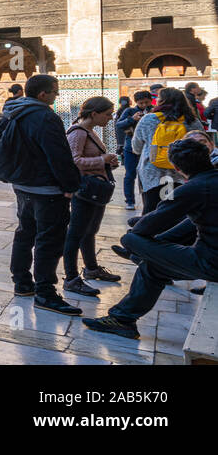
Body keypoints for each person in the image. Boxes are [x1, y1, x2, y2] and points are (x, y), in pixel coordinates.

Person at [82, 137, 218, 340]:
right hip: (209, 255)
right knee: (153, 267)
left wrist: (140, 224)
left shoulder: (191, 189)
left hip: (210, 263)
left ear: (177, 168)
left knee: (131, 239)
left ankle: (134, 256)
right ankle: (122, 319)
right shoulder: (211, 181)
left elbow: (148, 226)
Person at [0, 74, 84, 316]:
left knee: (25, 233)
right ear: (43, 94)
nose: (57, 95)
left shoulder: (13, 111)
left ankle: (22, 283)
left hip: (23, 186)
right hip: (46, 190)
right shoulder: (45, 116)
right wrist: (70, 184)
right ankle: (45, 293)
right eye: (55, 91)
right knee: (49, 240)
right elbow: (58, 155)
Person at [61, 97, 121, 300]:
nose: (110, 118)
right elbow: (73, 161)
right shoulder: (78, 132)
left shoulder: (90, 131)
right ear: (94, 113)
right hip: (84, 190)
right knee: (76, 233)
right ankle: (71, 278)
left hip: (95, 189)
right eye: (107, 114)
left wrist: (107, 163)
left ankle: (92, 268)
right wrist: (101, 160)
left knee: (90, 231)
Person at [131, 86, 202, 218]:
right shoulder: (192, 121)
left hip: (152, 173)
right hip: (182, 173)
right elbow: (201, 145)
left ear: (161, 101)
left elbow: (136, 148)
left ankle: (147, 235)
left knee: (151, 211)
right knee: (178, 213)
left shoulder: (148, 119)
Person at [115, 91, 152, 210]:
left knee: (148, 174)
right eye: (141, 103)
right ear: (136, 102)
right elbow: (119, 124)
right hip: (131, 148)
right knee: (130, 174)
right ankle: (130, 201)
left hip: (148, 148)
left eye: (146, 102)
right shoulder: (130, 111)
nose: (144, 105)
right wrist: (132, 119)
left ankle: (148, 201)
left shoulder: (155, 111)